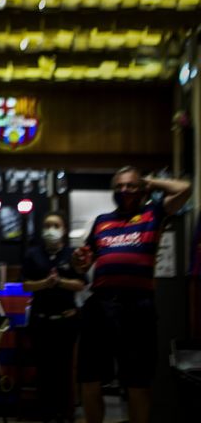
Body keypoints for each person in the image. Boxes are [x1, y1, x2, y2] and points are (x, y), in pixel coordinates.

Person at [73, 166, 191, 423]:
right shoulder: (102, 221)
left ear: (142, 189)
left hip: (138, 308)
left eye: (130, 185)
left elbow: (185, 189)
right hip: (100, 305)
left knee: (138, 384)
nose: (124, 190)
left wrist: (148, 181)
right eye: (119, 186)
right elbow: (84, 263)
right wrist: (79, 261)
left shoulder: (154, 213)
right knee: (89, 380)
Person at [22, 211, 86, 423]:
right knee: (44, 370)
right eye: (47, 225)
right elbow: (25, 284)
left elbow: (80, 284)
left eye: (55, 225)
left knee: (64, 370)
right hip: (40, 321)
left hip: (66, 321)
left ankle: (65, 413)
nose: (51, 230)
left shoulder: (73, 254)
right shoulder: (33, 254)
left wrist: (59, 283)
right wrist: (45, 283)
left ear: (64, 229)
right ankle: (46, 414)